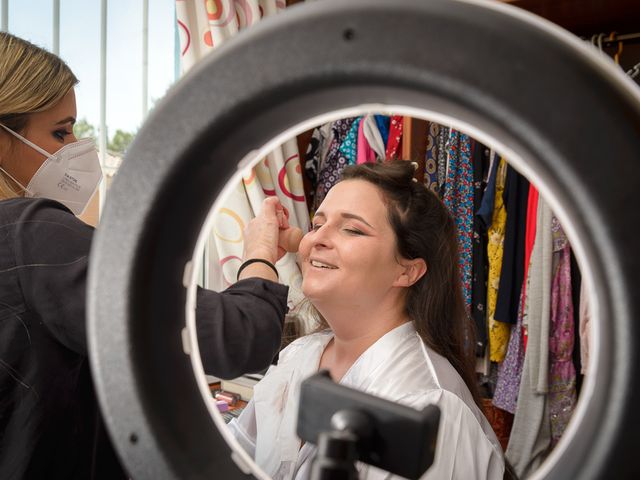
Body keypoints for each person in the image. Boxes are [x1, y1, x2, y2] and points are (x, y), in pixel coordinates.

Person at [0, 32, 296, 479]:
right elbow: (238, 337)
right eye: (61, 132)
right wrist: (259, 250)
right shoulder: (32, 234)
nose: (77, 148)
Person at [228, 160, 506, 479]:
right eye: (317, 225)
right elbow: (234, 456)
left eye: (353, 229)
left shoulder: (426, 402)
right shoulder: (297, 356)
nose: (317, 239)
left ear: (407, 271)